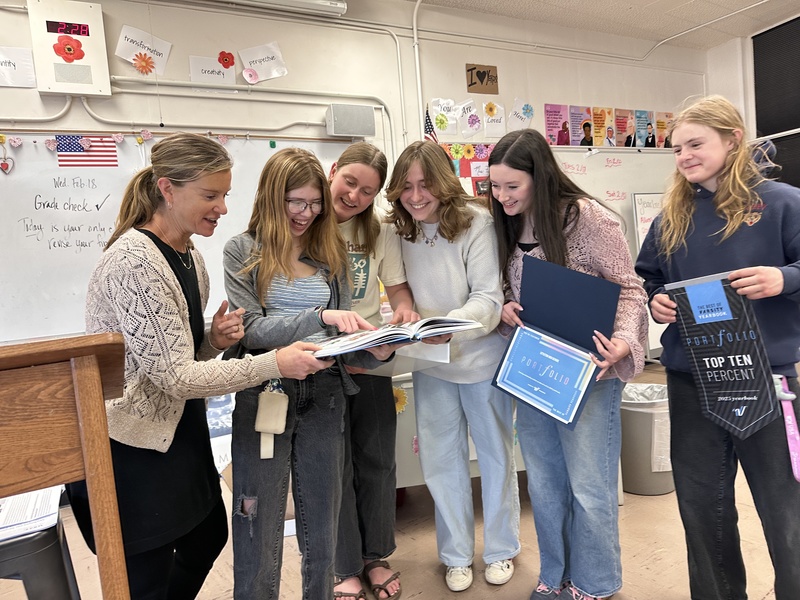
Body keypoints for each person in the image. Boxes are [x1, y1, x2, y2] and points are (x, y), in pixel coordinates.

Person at [68, 132, 330, 600]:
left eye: (225, 194)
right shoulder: (135, 262)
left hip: (177, 430)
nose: (222, 207)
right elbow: (175, 377)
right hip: (133, 441)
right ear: (167, 189)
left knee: (207, 535)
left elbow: (178, 355)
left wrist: (211, 338)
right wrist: (274, 362)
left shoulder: (189, 254)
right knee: (144, 574)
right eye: (210, 195)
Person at [635, 95, 800, 600]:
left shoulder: (783, 203)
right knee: (703, 509)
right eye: (676, 148)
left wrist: (784, 277)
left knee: (784, 508)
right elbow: (650, 279)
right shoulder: (671, 217)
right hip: (692, 380)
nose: (683, 155)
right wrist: (657, 302)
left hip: (766, 379)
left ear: (733, 140)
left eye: (695, 144)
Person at [223, 147, 395, 600]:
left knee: (322, 522)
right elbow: (254, 331)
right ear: (271, 197)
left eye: (315, 203)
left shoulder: (328, 250)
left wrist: (378, 345)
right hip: (266, 391)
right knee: (257, 519)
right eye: (295, 202)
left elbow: (339, 337)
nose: (307, 213)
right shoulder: (242, 250)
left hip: (325, 394)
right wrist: (322, 316)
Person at [488, 129, 647, 600]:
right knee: (545, 484)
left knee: (590, 486)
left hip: (588, 373)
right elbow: (506, 288)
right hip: (535, 373)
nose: (502, 197)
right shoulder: (503, 223)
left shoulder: (588, 219)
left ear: (541, 177)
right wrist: (504, 307)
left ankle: (594, 583)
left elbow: (630, 288)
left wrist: (621, 342)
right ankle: (554, 575)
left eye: (512, 186)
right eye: (495, 187)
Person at [385, 140, 520, 593]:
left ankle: (502, 549)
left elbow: (487, 298)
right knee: (442, 464)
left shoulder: (477, 221)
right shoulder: (399, 230)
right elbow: (400, 289)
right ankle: (456, 555)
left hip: (481, 362)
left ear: (445, 183)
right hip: (430, 365)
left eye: (426, 185)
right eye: (406, 187)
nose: (417, 196)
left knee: (497, 457)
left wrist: (448, 326)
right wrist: (407, 318)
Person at [329, 142, 419, 600]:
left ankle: (375, 556)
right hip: (321, 367)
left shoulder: (380, 231)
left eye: (368, 191)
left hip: (372, 362)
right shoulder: (304, 220)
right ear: (333, 171)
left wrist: (402, 315)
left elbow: (399, 292)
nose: (355, 197)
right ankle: (342, 564)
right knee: (334, 468)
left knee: (379, 464)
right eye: (350, 183)